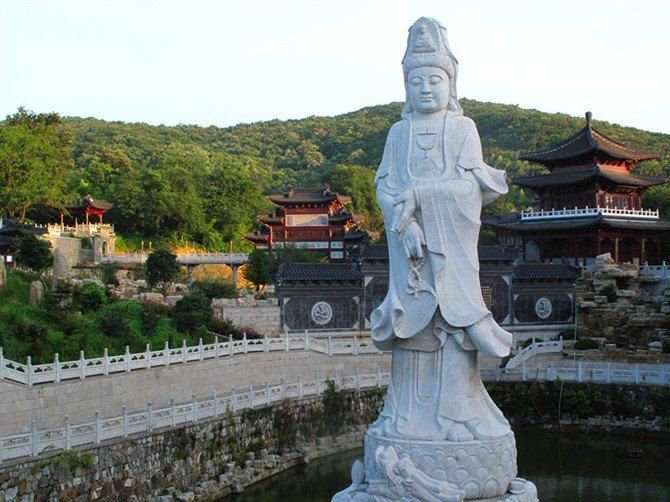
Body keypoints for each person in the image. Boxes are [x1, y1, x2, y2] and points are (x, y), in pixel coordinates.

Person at [369, 17, 513, 442]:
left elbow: (470, 190)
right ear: (406, 87)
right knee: (412, 328)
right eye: (416, 82)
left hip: (451, 254)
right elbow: (384, 187)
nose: (426, 89)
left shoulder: (462, 129)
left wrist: (420, 197)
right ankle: (402, 416)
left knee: (452, 330)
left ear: (451, 84)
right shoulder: (399, 133)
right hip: (411, 257)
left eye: (435, 80)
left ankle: (457, 416)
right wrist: (406, 224)